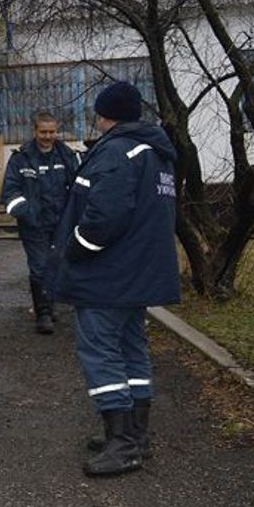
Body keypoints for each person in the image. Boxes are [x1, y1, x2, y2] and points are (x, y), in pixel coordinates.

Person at [48, 81, 179, 477]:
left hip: (107, 277)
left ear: (105, 116)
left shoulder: (119, 153)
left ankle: (121, 445)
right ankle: (136, 436)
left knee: (101, 353)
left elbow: (103, 218)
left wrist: (75, 249)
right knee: (132, 351)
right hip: (137, 275)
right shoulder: (156, 153)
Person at [2, 112, 80, 334]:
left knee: (57, 265)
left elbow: (79, 187)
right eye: (43, 132)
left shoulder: (67, 156)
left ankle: (51, 302)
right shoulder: (21, 158)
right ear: (34, 131)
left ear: (57, 130)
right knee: (39, 267)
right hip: (34, 226)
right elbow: (10, 192)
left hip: (61, 225)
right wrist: (27, 213)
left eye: (52, 132)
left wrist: (73, 217)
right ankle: (43, 312)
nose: (48, 136)